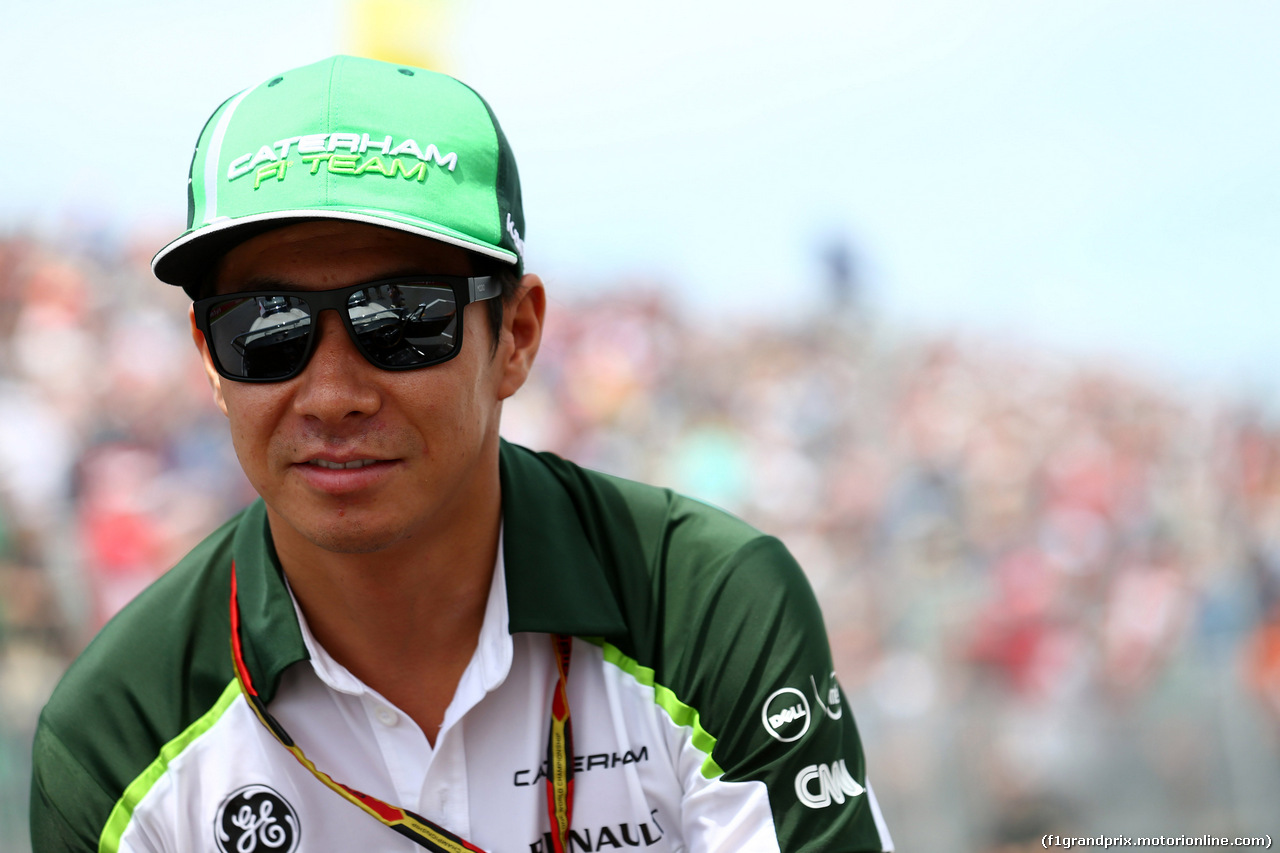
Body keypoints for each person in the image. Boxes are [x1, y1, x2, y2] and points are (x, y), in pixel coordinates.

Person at [30, 55, 893, 853]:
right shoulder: (119, 727)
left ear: (516, 335)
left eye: (401, 318)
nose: (332, 393)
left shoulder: (707, 605)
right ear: (207, 357)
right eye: (264, 328)